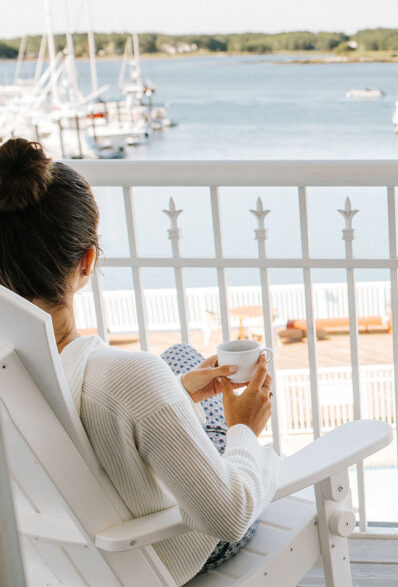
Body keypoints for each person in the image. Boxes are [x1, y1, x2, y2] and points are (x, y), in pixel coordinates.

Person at [0, 138, 278, 585]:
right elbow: (230, 517)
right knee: (231, 432)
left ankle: (189, 402)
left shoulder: (15, 369)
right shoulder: (128, 378)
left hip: (62, 561)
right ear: (87, 260)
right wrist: (244, 429)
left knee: (179, 358)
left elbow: (83, 423)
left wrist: (175, 392)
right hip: (157, 555)